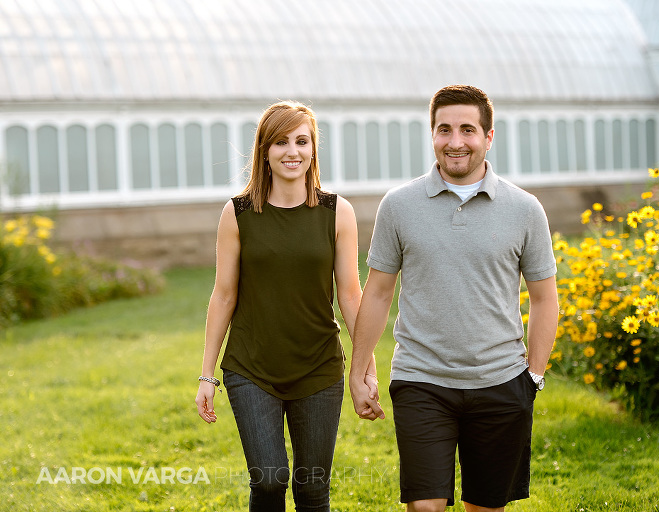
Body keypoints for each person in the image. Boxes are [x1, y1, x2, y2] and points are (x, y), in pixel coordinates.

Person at [349, 85, 559, 512]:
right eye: (444, 129)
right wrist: (359, 371)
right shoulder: (399, 205)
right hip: (422, 379)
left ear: (489, 136)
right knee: (425, 506)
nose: (456, 141)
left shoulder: (525, 209)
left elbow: (544, 298)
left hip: (502, 382)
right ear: (432, 135)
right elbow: (377, 292)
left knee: (486, 507)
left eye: (468, 129)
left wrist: (532, 376)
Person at [195, 100, 378, 512]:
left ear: (313, 149)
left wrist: (366, 367)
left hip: (319, 368)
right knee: (269, 480)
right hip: (251, 367)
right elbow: (223, 294)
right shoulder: (238, 213)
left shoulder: (337, 212)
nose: (291, 151)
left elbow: (351, 294)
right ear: (264, 150)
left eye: (301, 140)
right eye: (280, 142)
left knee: (313, 490)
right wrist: (207, 375)